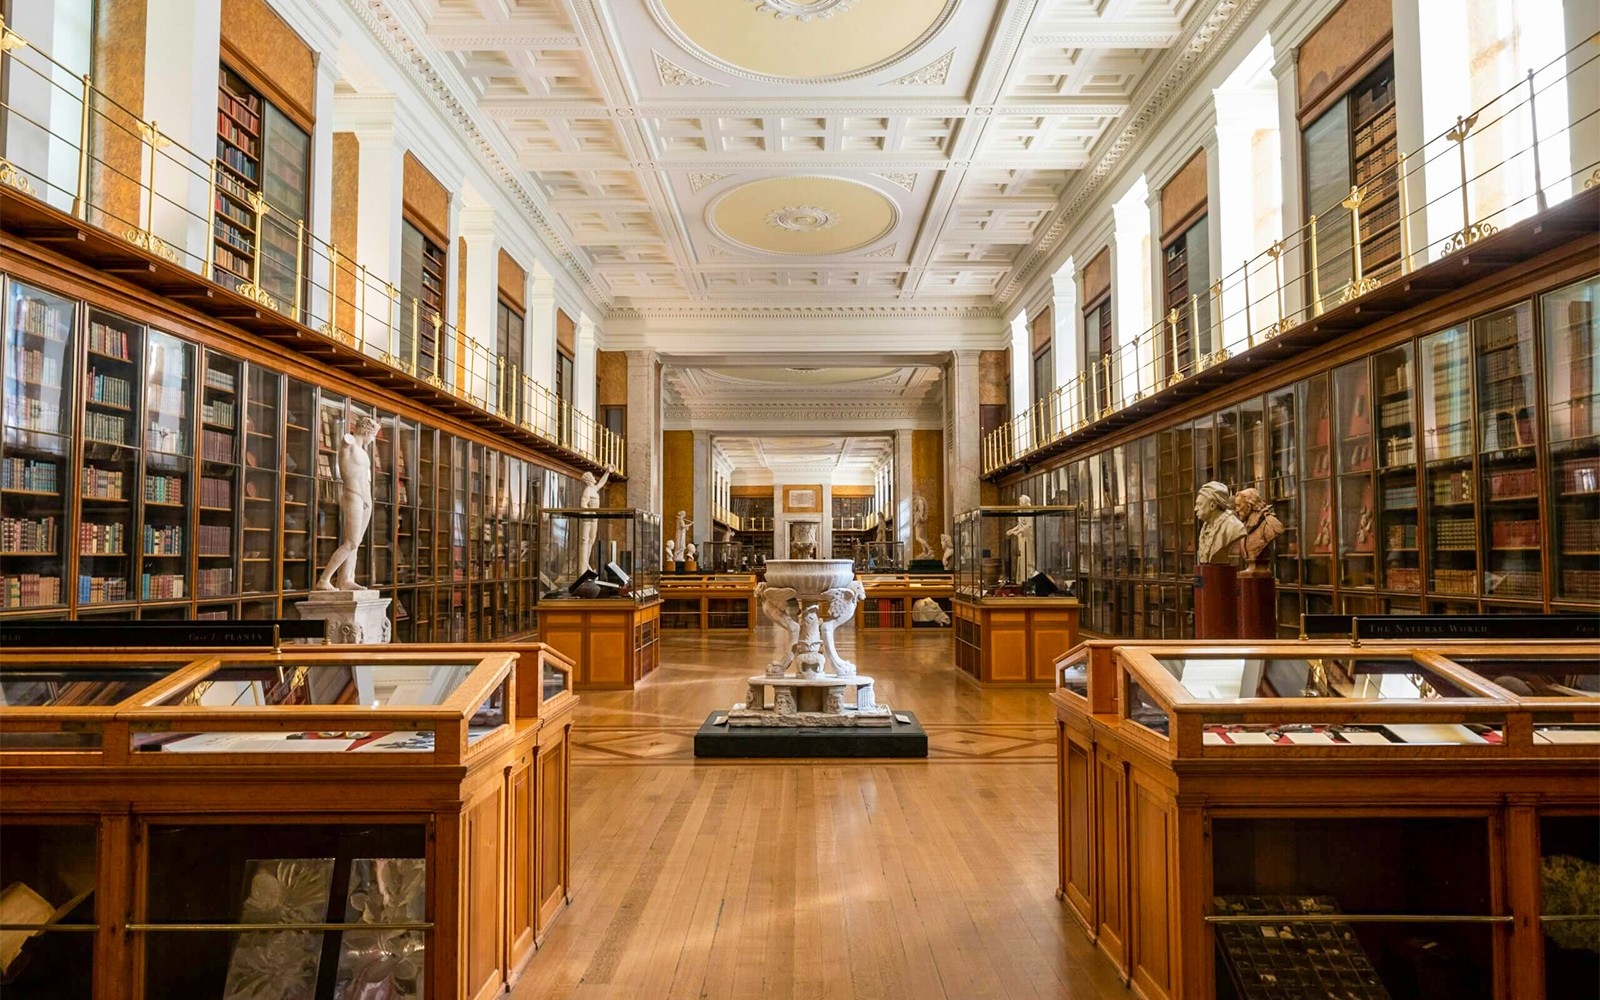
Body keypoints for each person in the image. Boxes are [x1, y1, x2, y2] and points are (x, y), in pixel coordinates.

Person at [316, 414, 381, 591]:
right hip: (353, 494)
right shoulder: (349, 442)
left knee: (356, 542)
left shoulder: (363, 451)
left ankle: (345, 579)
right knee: (351, 541)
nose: (372, 440)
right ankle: (324, 579)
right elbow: (346, 438)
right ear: (365, 431)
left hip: (365, 497)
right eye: (372, 435)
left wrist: (368, 499)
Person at [1233, 487, 1284, 574]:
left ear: (1249, 505)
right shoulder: (1245, 526)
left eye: (1239, 505)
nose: (1236, 510)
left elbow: (1279, 529)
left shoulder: (1268, 523)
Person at [1195, 481, 1246, 564]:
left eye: (1199, 504)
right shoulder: (1206, 527)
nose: (1195, 509)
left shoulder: (1233, 526)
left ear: (1212, 505)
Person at [576, 468, 611, 572]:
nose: (593, 477)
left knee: (592, 540)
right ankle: (583, 569)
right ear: (589, 479)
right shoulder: (587, 490)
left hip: (594, 517)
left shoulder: (594, 489)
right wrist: (589, 514)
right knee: (585, 541)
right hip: (588, 518)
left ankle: (586, 565)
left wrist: (607, 472)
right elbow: (583, 504)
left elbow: (602, 483)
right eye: (591, 476)